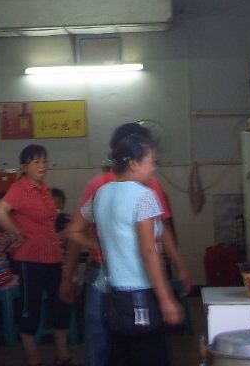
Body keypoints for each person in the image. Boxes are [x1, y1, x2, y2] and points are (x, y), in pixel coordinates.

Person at [60, 123, 191, 366]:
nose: (154, 167)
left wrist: (104, 244)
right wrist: (165, 298)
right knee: (149, 354)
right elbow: (149, 250)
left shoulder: (101, 193)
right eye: (150, 161)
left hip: (115, 293)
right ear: (133, 163)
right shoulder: (144, 196)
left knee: (119, 352)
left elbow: (74, 230)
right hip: (140, 291)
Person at [0, 144, 76, 366]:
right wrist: (16, 233)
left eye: (44, 161)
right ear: (24, 166)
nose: (42, 166)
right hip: (30, 260)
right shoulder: (20, 188)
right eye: (36, 162)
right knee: (31, 309)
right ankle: (34, 360)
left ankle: (62, 357)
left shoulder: (45, 189)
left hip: (53, 258)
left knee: (61, 305)